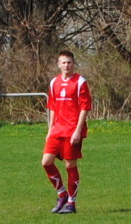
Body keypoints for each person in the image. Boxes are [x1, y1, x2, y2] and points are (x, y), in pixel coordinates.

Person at [42, 50, 92, 214]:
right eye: (63, 62)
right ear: (58, 64)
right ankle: (62, 194)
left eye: (69, 62)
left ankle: (71, 202)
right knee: (46, 162)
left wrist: (78, 130)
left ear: (73, 64)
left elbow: (85, 107)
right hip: (57, 130)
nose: (66, 65)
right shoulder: (54, 83)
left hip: (72, 131)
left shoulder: (80, 82)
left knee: (70, 165)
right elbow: (52, 108)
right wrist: (50, 130)